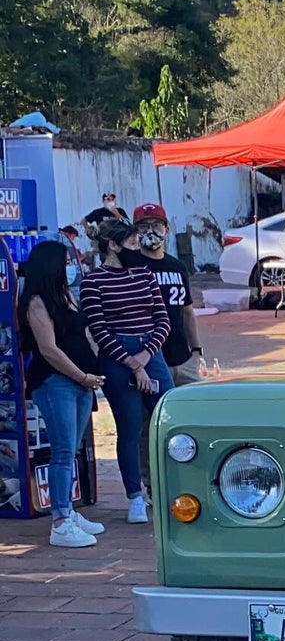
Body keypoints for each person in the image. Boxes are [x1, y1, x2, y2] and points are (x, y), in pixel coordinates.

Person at [79, 220, 172, 524]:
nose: (138, 249)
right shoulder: (92, 282)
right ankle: (135, 496)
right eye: (132, 244)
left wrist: (145, 357)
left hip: (150, 350)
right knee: (130, 428)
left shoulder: (144, 274)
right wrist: (133, 364)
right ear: (113, 246)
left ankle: (171, 488)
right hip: (118, 357)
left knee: (169, 422)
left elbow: (163, 319)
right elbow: (99, 331)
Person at [17, 240, 106, 549]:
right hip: (57, 382)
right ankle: (59, 520)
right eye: (66, 261)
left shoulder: (66, 295)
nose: (71, 265)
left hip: (83, 383)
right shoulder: (37, 302)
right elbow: (48, 349)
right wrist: (81, 376)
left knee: (72, 449)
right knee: (63, 451)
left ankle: (68, 509)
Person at [131, 203, 204, 385]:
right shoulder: (131, 267)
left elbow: (187, 312)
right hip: (150, 359)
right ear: (135, 232)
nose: (151, 231)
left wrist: (196, 350)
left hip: (183, 358)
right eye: (144, 226)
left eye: (156, 225)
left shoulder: (177, 267)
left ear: (167, 229)